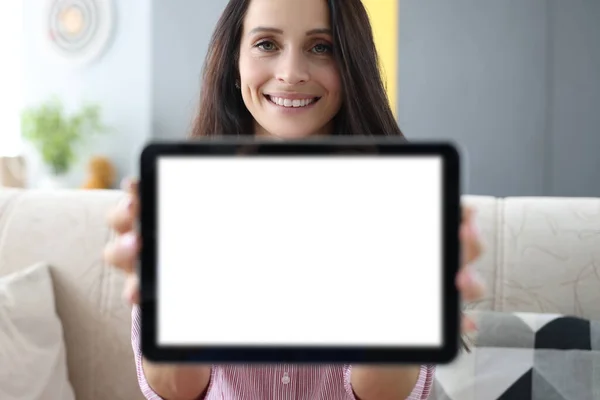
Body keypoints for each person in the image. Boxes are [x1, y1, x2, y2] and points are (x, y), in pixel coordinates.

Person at [103, 0, 486, 398]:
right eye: (266, 44)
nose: (290, 73)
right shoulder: (182, 200)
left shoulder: (399, 205)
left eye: (322, 47)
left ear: (351, 66)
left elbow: (382, 395)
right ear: (235, 62)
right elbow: (179, 391)